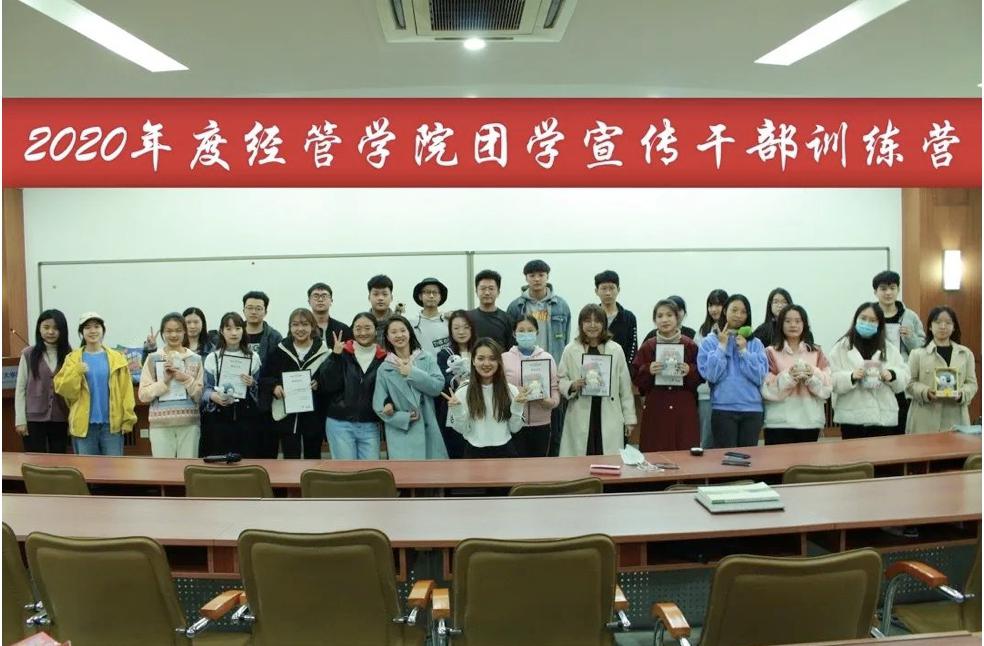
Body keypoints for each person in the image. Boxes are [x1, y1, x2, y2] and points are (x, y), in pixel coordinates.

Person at [53, 312, 137, 456]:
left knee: (114, 468)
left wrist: (128, 419)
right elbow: (64, 390)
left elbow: (126, 392)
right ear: (81, 332)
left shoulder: (117, 358)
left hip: (112, 426)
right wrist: (76, 372)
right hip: (83, 426)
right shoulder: (72, 359)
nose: (92, 331)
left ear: (103, 330)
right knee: (87, 468)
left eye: (96, 327)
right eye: (87, 327)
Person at [558, 305, 637, 456]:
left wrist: (629, 419)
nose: (592, 325)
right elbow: (561, 379)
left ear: (604, 324)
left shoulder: (616, 349)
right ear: (581, 324)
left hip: (608, 411)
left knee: (606, 459)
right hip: (580, 411)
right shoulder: (570, 349)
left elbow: (625, 387)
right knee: (581, 459)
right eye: (588, 321)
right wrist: (572, 385)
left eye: (597, 321)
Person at [829, 302, 910, 439]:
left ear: (880, 324)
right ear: (856, 319)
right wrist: (851, 376)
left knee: (882, 453)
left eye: (873, 320)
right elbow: (830, 379)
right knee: (854, 453)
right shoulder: (841, 347)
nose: (867, 323)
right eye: (863, 318)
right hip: (852, 418)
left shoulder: (889, 348)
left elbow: (905, 377)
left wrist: (892, 375)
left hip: (883, 418)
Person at [697, 294, 768, 448]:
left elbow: (760, 376)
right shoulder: (709, 342)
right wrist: (721, 346)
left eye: (743, 312)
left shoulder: (755, 343)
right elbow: (711, 375)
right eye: (734, 310)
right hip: (723, 408)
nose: (738, 315)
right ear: (725, 311)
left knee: (749, 458)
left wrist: (744, 351)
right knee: (726, 458)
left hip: (752, 410)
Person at [373, 316, 448, 460]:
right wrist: (403, 417)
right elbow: (379, 406)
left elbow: (438, 387)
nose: (399, 335)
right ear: (387, 337)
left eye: (403, 330)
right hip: (402, 434)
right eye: (393, 332)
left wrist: (412, 373)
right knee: (406, 473)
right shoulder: (385, 368)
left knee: (434, 472)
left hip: (429, 430)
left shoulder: (426, 358)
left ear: (409, 332)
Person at [632, 300, 702, 451]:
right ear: (654, 320)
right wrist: (648, 370)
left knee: (684, 450)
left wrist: (690, 370)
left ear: (677, 318)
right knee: (655, 449)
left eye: (669, 315)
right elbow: (636, 377)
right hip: (656, 405)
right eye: (660, 316)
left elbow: (701, 375)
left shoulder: (689, 345)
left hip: (683, 406)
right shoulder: (648, 346)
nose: (664, 320)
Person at [444, 338, 529, 459]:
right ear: (473, 361)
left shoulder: (511, 390)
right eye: (481, 358)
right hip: (474, 453)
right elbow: (462, 430)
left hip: (506, 452)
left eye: (492, 358)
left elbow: (515, 429)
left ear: (499, 361)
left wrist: (518, 406)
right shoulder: (462, 392)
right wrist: (457, 411)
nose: (486, 363)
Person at [319, 312, 387, 460]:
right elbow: (327, 384)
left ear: (376, 330)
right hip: (340, 423)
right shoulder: (342, 352)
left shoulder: (384, 358)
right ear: (352, 330)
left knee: (371, 470)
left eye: (367, 328)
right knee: (346, 471)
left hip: (370, 424)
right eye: (358, 328)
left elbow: (387, 389)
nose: (363, 332)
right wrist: (335, 356)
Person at [761, 305, 832, 445]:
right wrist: (789, 376)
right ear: (780, 324)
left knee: (807, 459)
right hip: (779, 422)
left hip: (809, 421)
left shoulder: (816, 351)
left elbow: (827, 387)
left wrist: (811, 375)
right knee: (778, 459)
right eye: (787, 321)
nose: (793, 325)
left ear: (804, 324)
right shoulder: (770, 352)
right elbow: (766, 388)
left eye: (798, 321)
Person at [138, 312, 204, 458]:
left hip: (189, 424)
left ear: (185, 331)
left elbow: (199, 396)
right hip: (160, 425)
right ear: (163, 333)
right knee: (163, 469)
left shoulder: (196, 359)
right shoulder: (153, 358)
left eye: (178, 330)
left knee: (187, 467)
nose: (173, 335)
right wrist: (164, 382)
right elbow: (143, 395)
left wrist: (186, 379)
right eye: (169, 331)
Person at [267, 308, 330, 459]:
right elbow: (266, 376)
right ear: (290, 327)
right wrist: (274, 386)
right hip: (287, 416)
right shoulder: (280, 350)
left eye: (305, 324)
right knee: (290, 458)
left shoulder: (324, 352)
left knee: (313, 457)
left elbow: (331, 380)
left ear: (312, 326)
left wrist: (319, 383)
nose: (300, 329)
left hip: (314, 415)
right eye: (295, 324)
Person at [906, 306, 978, 434]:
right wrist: (926, 392)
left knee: (956, 447)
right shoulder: (917, 354)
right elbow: (909, 383)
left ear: (954, 327)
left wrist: (961, 394)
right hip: (924, 419)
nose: (943, 326)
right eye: (938, 322)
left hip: (956, 419)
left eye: (948, 323)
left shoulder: (965, 354)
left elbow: (972, 384)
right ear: (930, 326)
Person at [872, 270, 926, 436]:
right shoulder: (869, 314)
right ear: (875, 292)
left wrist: (910, 338)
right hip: (875, 375)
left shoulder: (910, 316)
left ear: (898, 289)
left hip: (901, 377)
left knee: (900, 425)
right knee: (876, 427)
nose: (888, 292)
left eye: (892, 288)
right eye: (883, 288)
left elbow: (922, 349)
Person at [201, 312, 262, 457]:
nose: (234, 333)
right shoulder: (212, 358)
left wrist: (252, 383)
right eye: (228, 329)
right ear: (222, 331)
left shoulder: (253, 357)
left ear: (243, 330)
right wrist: (214, 396)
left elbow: (260, 389)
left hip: (246, 415)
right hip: (219, 415)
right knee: (219, 458)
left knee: (245, 458)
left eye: (238, 328)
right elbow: (206, 390)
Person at [501, 315, 560, 457]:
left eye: (530, 330)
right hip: (513, 422)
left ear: (537, 332)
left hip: (542, 423)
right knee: (516, 466)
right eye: (521, 331)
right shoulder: (504, 358)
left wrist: (550, 402)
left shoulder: (547, 358)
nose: (526, 334)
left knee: (538, 466)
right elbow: (499, 389)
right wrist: (516, 391)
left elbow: (554, 389)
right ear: (514, 334)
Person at [15, 309, 71, 453]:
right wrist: (20, 419)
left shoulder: (70, 355)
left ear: (63, 330)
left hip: (61, 417)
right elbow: (20, 388)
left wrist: (73, 420)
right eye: (46, 327)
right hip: (33, 418)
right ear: (39, 329)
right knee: (34, 460)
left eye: (56, 328)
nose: (50, 332)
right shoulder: (28, 354)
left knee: (58, 460)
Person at [506, 259, 571, 364]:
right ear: (526, 278)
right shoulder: (515, 306)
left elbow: (566, 338)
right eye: (532, 276)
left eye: (541, 275)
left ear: (547, 277)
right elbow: (510, 339)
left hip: (553, 362)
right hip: (523, 363)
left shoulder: (561, 305)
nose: (536, 279)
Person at [435, 310, 476, 459]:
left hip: (478, 406)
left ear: (472, 328)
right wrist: (457, 381)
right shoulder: (445, 354)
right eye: (456, 328)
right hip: (453, 407)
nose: (461, 332)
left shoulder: (480, 350)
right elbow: (443, 379)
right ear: (450, 331)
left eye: (466, 327)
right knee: (456, 452)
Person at [694, 289, 728, 448]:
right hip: (706, 393)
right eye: (710, 305)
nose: (714, 309)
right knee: (707, 439)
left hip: (728, 394)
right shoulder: (702, 331)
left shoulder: (734, 330)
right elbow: (698, 361)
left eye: (718, 305)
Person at [243, 290, 283, 420]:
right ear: (243, 310)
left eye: (258, 308)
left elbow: (278, 369)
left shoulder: (275, 337)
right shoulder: (234, 334)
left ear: (265, 312)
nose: (253, 312)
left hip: (265, 400)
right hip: (238, 398)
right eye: (249, 308)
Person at [595, 270, 638, 365]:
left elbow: (632, 349)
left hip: (621, 368)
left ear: (618, 290)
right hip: (595, 368)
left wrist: (627, 370)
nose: (608, 293)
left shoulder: (629, 317)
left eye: (611, 288)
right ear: (596, 291)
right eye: (604, 288)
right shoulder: (591, 317)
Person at [469, 269, 513, 351]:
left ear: (498, 292)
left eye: (491, 288)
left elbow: (510, 349)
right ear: (476, 292)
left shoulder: (507, 319)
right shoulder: (467, 318)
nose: (487, 293)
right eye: (483, 288)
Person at [411, 277, 450, 356]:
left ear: (440, 296)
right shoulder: (411, 323)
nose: (431, 296)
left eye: (435, 292)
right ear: (420, 296)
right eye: (428, 292)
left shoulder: (449, 321)